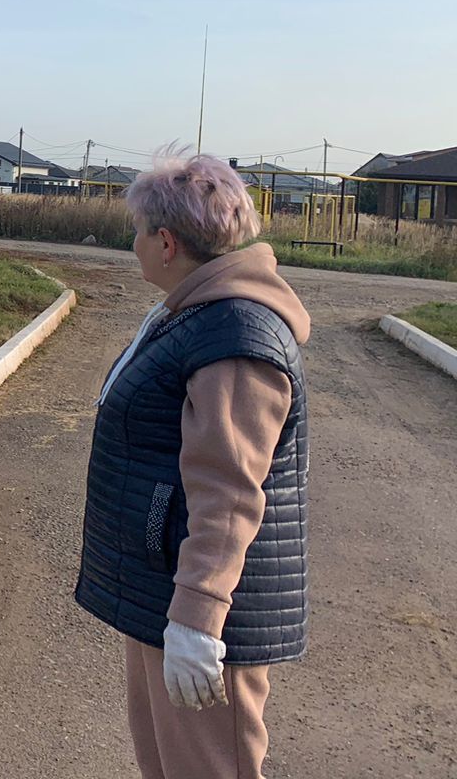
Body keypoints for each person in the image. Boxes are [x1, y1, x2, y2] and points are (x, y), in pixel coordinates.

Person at [75, 153, 310, 779]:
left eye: (137, 231)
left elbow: (228, 489)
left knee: (210, 769)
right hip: (164, 587)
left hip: (198, 603)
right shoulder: (200, 312)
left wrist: (198, 617)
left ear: (167, 241)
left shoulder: (234, 332)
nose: (133, 245)